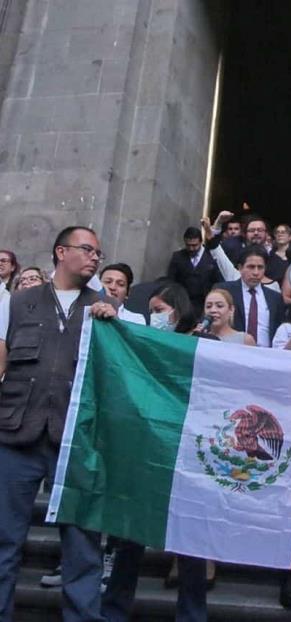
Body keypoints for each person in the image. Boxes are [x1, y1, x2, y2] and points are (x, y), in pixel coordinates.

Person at [0, 226, 117, 622]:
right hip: (16, 436)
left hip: (77, 441)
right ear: (60, 252)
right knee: (3, 540)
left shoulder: (104, 308)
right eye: (88, 250)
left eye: (98, 253)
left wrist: (113, 324)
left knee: (83, 547)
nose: (95, 258)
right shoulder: (17, 303)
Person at [102, 281, 211, 622]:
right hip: (149, 453)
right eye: (151, 311)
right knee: (130, 541)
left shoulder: (207, 344)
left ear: (178, 310)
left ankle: (192, 614)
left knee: (191, 547)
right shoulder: (146, 343)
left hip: (190, 456)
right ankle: (113, 610)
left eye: (159, 311)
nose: (154, 317)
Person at [166, 226, 222, 314]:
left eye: (194, 245)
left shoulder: (211, 256)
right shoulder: (178, 257)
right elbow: (171, 280)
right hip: (183, 303)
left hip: (204, 303)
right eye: (188, 245)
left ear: (201, 242)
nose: (191, 249)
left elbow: (218, 281)